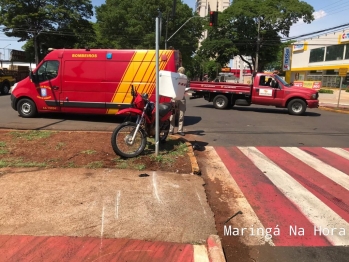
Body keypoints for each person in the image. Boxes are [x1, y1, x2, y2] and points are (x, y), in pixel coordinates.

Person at [169, 67, 186, 136]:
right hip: (178, 97)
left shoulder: (182, 78)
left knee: (174, 114)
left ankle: (172, 130)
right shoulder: (177, 78)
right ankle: (178, 130)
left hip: (177, 97)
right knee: (179, 114)